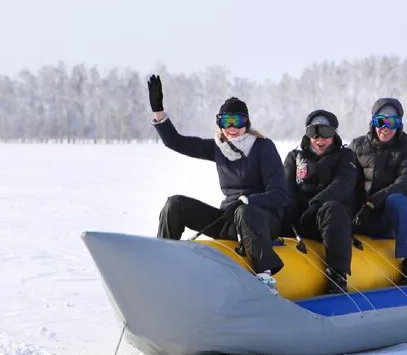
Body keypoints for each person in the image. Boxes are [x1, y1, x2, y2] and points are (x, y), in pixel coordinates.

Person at [147, 75, 289, 294]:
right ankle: (162, 261)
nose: (231, 128)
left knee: (244, 212)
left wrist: (247, 201)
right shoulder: (218, 148)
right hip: (229, 219)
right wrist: (158, 111)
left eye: (237, 121)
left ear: (247, 123)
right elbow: (175, 142)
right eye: (225, 121)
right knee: (175, 204)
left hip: (262, 221)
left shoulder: (263, 147)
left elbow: (280, 195)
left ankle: (265, 277)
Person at [283, 110, 359, 294]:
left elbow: (343, 185)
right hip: (300, 221)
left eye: (325, 133)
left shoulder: (346, 157)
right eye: (313, 133)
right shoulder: (294, 158)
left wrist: (317, 203)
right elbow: (285, 188)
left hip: (330, 220)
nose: (319, 139)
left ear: (334, 133)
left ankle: (338, 275)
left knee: (332, 209)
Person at [349, 97, 407, 284]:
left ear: (399, 124)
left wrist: (374, 200)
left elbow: (406, 182)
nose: (386, 127)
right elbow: (346, 179)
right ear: (373, 122)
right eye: (381, 121)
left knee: (398, 199)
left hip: (389, 219)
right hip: (360, 215)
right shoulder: (358, 146)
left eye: (392, 122)